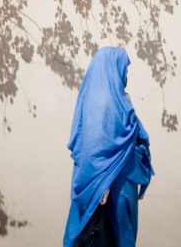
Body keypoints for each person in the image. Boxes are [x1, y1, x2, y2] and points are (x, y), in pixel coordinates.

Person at [63, 46, 154, 247]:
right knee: (118, 236)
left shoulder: (92, 98)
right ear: (114, 69)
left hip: (102, 181)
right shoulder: (109, 102)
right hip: (115, 184)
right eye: (124, 70)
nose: (125, 76)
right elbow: (98, 144)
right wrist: (104, 183)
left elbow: (87, 144)